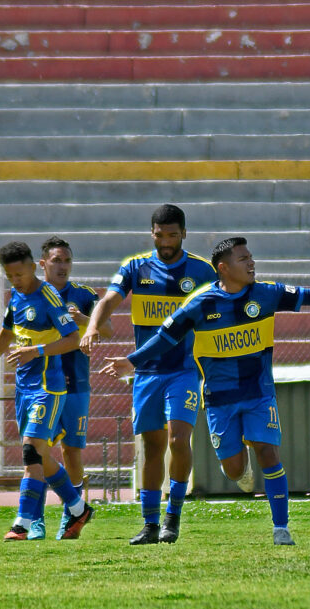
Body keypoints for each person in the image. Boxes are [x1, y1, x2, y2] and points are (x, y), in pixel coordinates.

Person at [101, 236, 310, 546]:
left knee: (269, 452)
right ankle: (241, 463)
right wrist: (132, 361)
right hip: (220, 401)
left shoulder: (266, 293)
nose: (251, 263)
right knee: (233, 470)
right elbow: (166, 338)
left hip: (259, 393)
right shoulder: (200, 303)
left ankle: (281, 529)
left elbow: (307, 294)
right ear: (223, 268)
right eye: (243, 259)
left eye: (251, 257)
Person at [80, 204, 217, 545]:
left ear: (184, 233)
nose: (166, 242)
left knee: (177, 439)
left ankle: (174, 517)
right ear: (151, 234)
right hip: (146, 374)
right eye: (160, 235)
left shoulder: (202, 271)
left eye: (172, 235)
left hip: (184, 370)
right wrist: (93, 326)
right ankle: (151, 524)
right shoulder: (135, 267)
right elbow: (109, 299)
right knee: (152, 447)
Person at [0, 241, 94, 541]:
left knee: (30, 452)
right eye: (9, 276)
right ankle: (78, 508)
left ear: (31, 266)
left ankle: (22, 524)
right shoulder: (16, 295)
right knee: (42, 457)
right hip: (23, 387)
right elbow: (7, 332)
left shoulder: (48, 296)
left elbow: (74, 339)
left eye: (19, 274)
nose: (15, 280)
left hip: (48, 387)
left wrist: (36, 351)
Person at [27, 236, 113, 540]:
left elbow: (108, 329)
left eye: (67, 261)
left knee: (72, 452)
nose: (62, 266)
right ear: (43, 264)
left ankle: (72, 516)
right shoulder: (33, 296)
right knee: (36, 451)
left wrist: (86, 320)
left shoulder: (84, 295)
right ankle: (34, 520)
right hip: (44, 385)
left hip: (77, 384)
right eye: (56, 261)